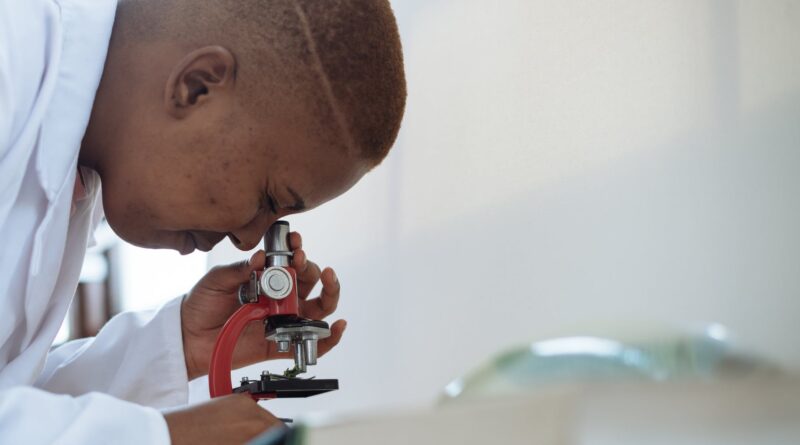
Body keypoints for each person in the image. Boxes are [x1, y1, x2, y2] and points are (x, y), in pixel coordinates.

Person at [0, 0, 406, 443]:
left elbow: (15, 402)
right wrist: (163, 436)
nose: (247, 239)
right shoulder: (10, 55)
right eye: (267, 198)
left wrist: (178, 345)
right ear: (195, 87)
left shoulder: (79, 165)